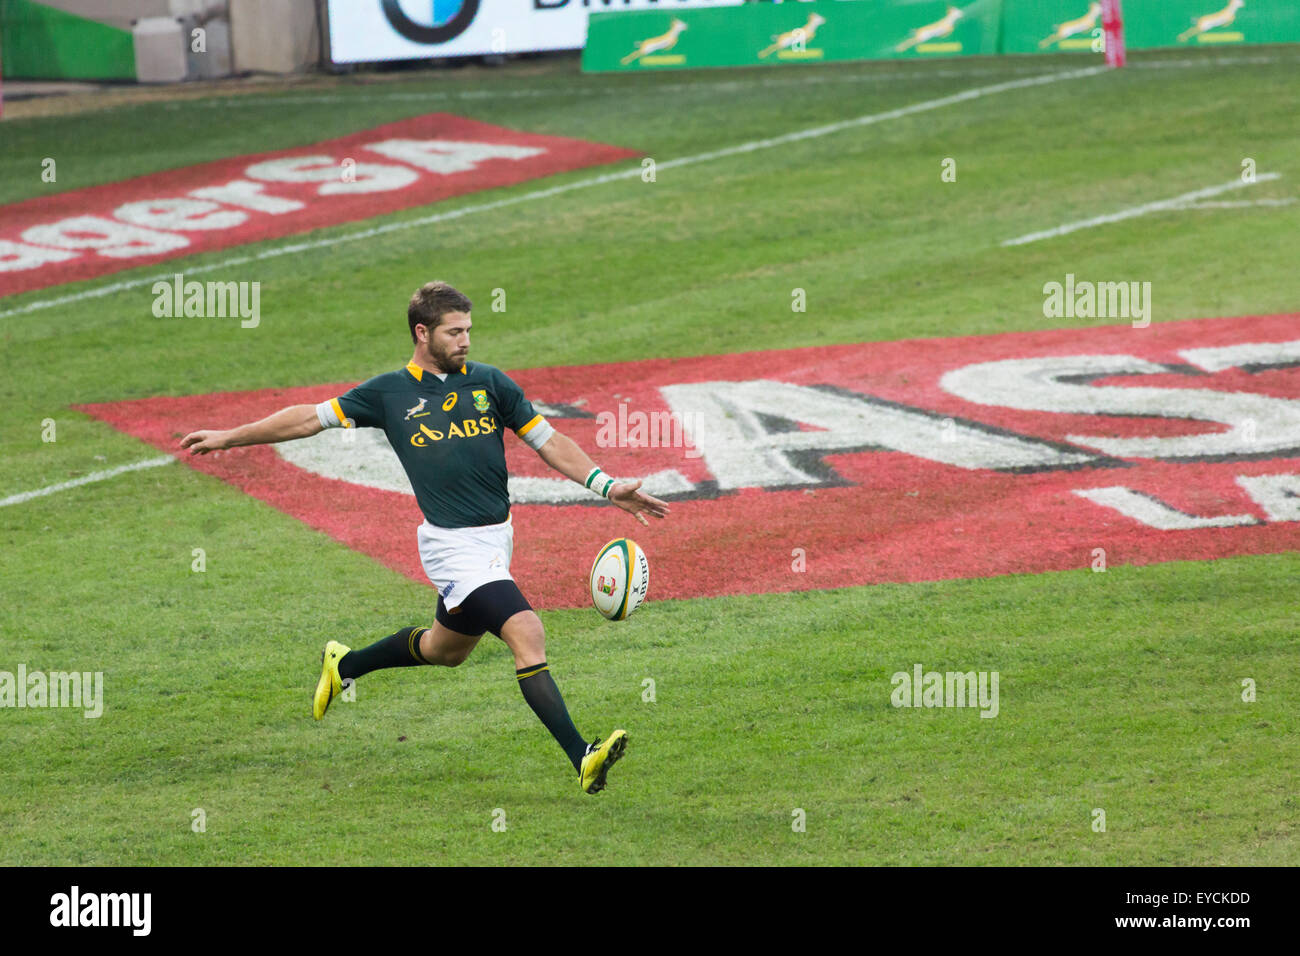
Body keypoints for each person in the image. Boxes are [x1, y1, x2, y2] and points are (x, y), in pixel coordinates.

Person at [180, 281, 670, 794]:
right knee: (526, 632)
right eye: (454, 332)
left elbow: (549, 442)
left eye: (468, 331)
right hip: (451, 547)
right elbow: (308, 419)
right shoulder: (388, 393)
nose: (465, 341)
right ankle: (583, 757)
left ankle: (344, 663)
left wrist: (607, 485)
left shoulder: (491, 384)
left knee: (445, 650)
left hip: (497, 540)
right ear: (422, 332)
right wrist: (229, 437)